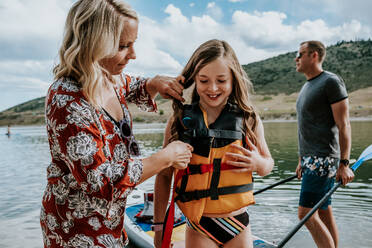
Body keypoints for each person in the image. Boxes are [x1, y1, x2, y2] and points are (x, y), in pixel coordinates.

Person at [39, 1, 193, 247]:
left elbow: (133, 85)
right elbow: (99, 182)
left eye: (133, 43)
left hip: (112, 222)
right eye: (123, 46)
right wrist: (165, 157)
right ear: (93, 44)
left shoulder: (108, 78)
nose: (133, 54)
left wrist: (154, 83)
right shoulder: (66, 99)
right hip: (76, 231)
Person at [154, 39, 274, 248]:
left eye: (221, 80)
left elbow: (267, 165)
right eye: (204, 81)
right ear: (194, 80)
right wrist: (159, 227)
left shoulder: (248, 118)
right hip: (199, 226)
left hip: (238, 225)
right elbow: (164, 176)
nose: (212, 88)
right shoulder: (179, 120)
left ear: (233, 80)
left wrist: (258, 164)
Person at [294, 40, 355, 248]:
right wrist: (302, 160)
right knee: (322, 210)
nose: (296, 58)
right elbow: (308, 127)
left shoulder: (330, 81)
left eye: (300, 54)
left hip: (323, 160)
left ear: (314, 55)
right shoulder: (306, 86)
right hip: (311, 160)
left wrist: (344, 163)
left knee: (305, 214)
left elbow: (344, 124)